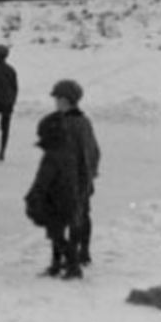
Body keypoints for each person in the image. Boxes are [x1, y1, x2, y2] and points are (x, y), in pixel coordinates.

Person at [24, 111, 82, 280]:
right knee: (57, 233)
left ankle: (73, 265)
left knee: (56, 235)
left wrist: (34, 196)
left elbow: (43, 179)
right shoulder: (66, 150)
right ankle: (57, 265)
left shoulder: (52, 156)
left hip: (56, 201)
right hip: (67, 199)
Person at [52, 79, 101, 267]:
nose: (55, 102)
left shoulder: (78, 123)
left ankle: (76, 256)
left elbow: (90, 152)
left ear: (65, 100)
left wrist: (86, 178)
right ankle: (77, 254)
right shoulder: (68, 121)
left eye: (57, 98)